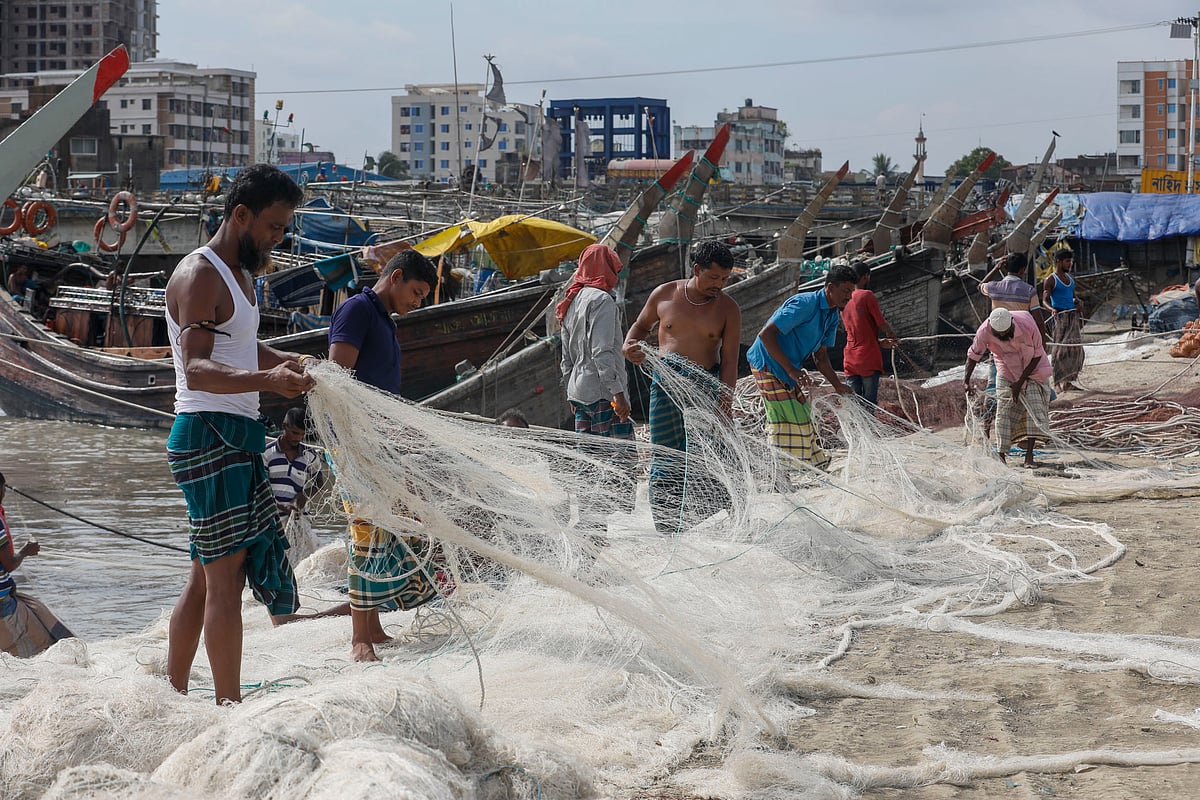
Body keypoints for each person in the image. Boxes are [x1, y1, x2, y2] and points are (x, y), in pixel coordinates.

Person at [164, 163, 313, 705]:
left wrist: (285, 361)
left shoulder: (243, 276)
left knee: (204, 578)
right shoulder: (199, 275)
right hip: (208, 434)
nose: (280, 236)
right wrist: (269, 381)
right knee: (224, 584)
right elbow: (198, 367)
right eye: (273, 226)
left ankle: (174, 691)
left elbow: (238, 349)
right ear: (241, 215)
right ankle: (229, 707)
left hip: (237, 434)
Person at [327, 248, 440, 662]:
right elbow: (337, 382)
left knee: (388, 531)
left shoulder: (383, 321)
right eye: (416, 292)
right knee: (366, 532)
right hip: (355, 445)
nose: (418, 302)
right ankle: (359, 638)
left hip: (380, 445)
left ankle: (372, 624)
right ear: (394, 278)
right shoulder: (357, 311)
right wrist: (360, 441)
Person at [622, 240, 741, 534]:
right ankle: (667, 526)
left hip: (704, 386)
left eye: (725, 279)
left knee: (708, 455)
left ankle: (706, 517)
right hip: (665, 386)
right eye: (713, 277)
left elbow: (729, 362)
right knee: (665, 454)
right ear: (697, 269)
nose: (719, 285)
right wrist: (628, 346)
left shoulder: (728, 309)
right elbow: (639, 328)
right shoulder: (664, 295)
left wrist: (725, 404)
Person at [747, 264, 857, 471]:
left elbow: (821, 356)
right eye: (845, 291)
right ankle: (780, 472)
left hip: (787, 367)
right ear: (830, 287)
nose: (849, 296)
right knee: (785, 417)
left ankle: (810, 465)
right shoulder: (805, 304)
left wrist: (837, 385)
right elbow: (766, 335)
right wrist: (791, 370)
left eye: (852, 291)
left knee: (803, 413)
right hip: (766, 362)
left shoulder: (832, 316)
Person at [963, 308, 1053, 468]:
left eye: (1006, 332)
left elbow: (1038, 353)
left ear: (1012, 323)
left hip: (1032, 367)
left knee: (1034, 407)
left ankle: (1029, 456)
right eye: (1000, 334)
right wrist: (966, 380)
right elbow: (973, 355)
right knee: (1003, 411)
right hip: (1006, 368)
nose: (1003, 336)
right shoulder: (984, 330)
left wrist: (1020, 382)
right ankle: (1002, 455)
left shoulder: (1026, 322)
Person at [0, 472, 74, 657]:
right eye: (3, 488)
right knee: (46, 648)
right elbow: (8, 564)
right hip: (3, 603)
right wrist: (25, 551)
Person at [262, 406, 325, 564]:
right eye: (295, 433)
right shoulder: (266, 453)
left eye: (302, 435)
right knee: (274, 563)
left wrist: (304, 495)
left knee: (301, 564)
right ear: (284, 426)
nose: (298, 438)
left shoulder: (309, 455)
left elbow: (319, 481)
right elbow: (260, 488)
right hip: (271, 521)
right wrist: (282, 506)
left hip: (299, 521)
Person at [841, 261, 898, 406]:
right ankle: (868, 429)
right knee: (869, 404)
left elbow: (856, 331)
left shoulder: (843, 300)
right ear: (866, 277)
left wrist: (878, 342)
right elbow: (881, 323)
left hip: (850, 359)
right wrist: (892, 335)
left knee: (854, 405)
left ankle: (855, 429)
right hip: (867, 359)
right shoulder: (867, 295)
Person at [1042, 249, 1084, 393]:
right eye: (1067, 261)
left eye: (1071, 261)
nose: (1070, 264)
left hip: (1072, 316)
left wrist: (1078, 303)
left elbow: (1073, 297)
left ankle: (1068, 382)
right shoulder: (1051, 279)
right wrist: (1051, 309)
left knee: (1076, 350)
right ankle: (1057, 382)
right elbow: (1044, 300)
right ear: (1059, 262)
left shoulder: (1070, 280)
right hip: (1060, 316)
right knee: (1060, 350)